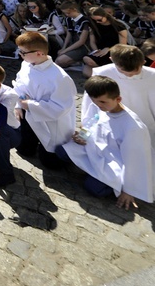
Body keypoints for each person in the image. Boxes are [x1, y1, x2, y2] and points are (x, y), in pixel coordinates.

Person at [58, 77, 153, 208]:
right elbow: (92, 123)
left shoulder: (134, 127)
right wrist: (83, 136)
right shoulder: (100, 105)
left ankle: (104, 181)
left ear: (118, 99)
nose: (99, 106)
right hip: (93, 148)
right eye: (95, 102)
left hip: (113, 162)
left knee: (94, 188)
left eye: (103, 102)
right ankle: (92, 171)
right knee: (60, 152)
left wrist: (129, 190)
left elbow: (135, 160)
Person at [13, 32, 76, 169]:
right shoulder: (26, 64)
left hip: (50, 122)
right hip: (28, 115)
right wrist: (19, 105)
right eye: (20, 51)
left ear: (39, 53)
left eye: (23, 52)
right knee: (24, 150)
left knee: (52, 163)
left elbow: (60, 108)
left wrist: (29, 104)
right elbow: (19, 85)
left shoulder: (60, 77)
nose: (20, 55)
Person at [82, 45, 155, 160]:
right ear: (112, 60)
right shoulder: (102, 73)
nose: (130, 75)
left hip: (146, 123)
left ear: (144, 61)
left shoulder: (152, 75)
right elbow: (90, 106)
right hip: (111, 124)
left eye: (136, 70)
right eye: (124, 71)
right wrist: (85, 132)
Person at [82, 7, 129, 77]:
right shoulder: (94, 25)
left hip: (115, 51)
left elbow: (122, 45)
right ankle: (109, 73)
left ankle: (109, 71)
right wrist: (96, 50)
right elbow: (92, 41)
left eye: (99, 20)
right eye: (94, 20)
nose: (97, 22)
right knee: (87, 72)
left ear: (105, 16)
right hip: (100, 51)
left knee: (89, 66)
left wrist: (109, 48)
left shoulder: (118, 26)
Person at [56, 0, 91, 68]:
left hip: (83, 47)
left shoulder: (84, 21)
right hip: (72, 44)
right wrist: (64, 47)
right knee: (58, 56)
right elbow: (69, 34)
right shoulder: (69, 19)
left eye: (68, 13)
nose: (67, 15)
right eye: (65, 13)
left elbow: (81, 41)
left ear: (74, 10)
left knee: (60, 61)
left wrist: (65, 50)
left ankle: (78, 60)